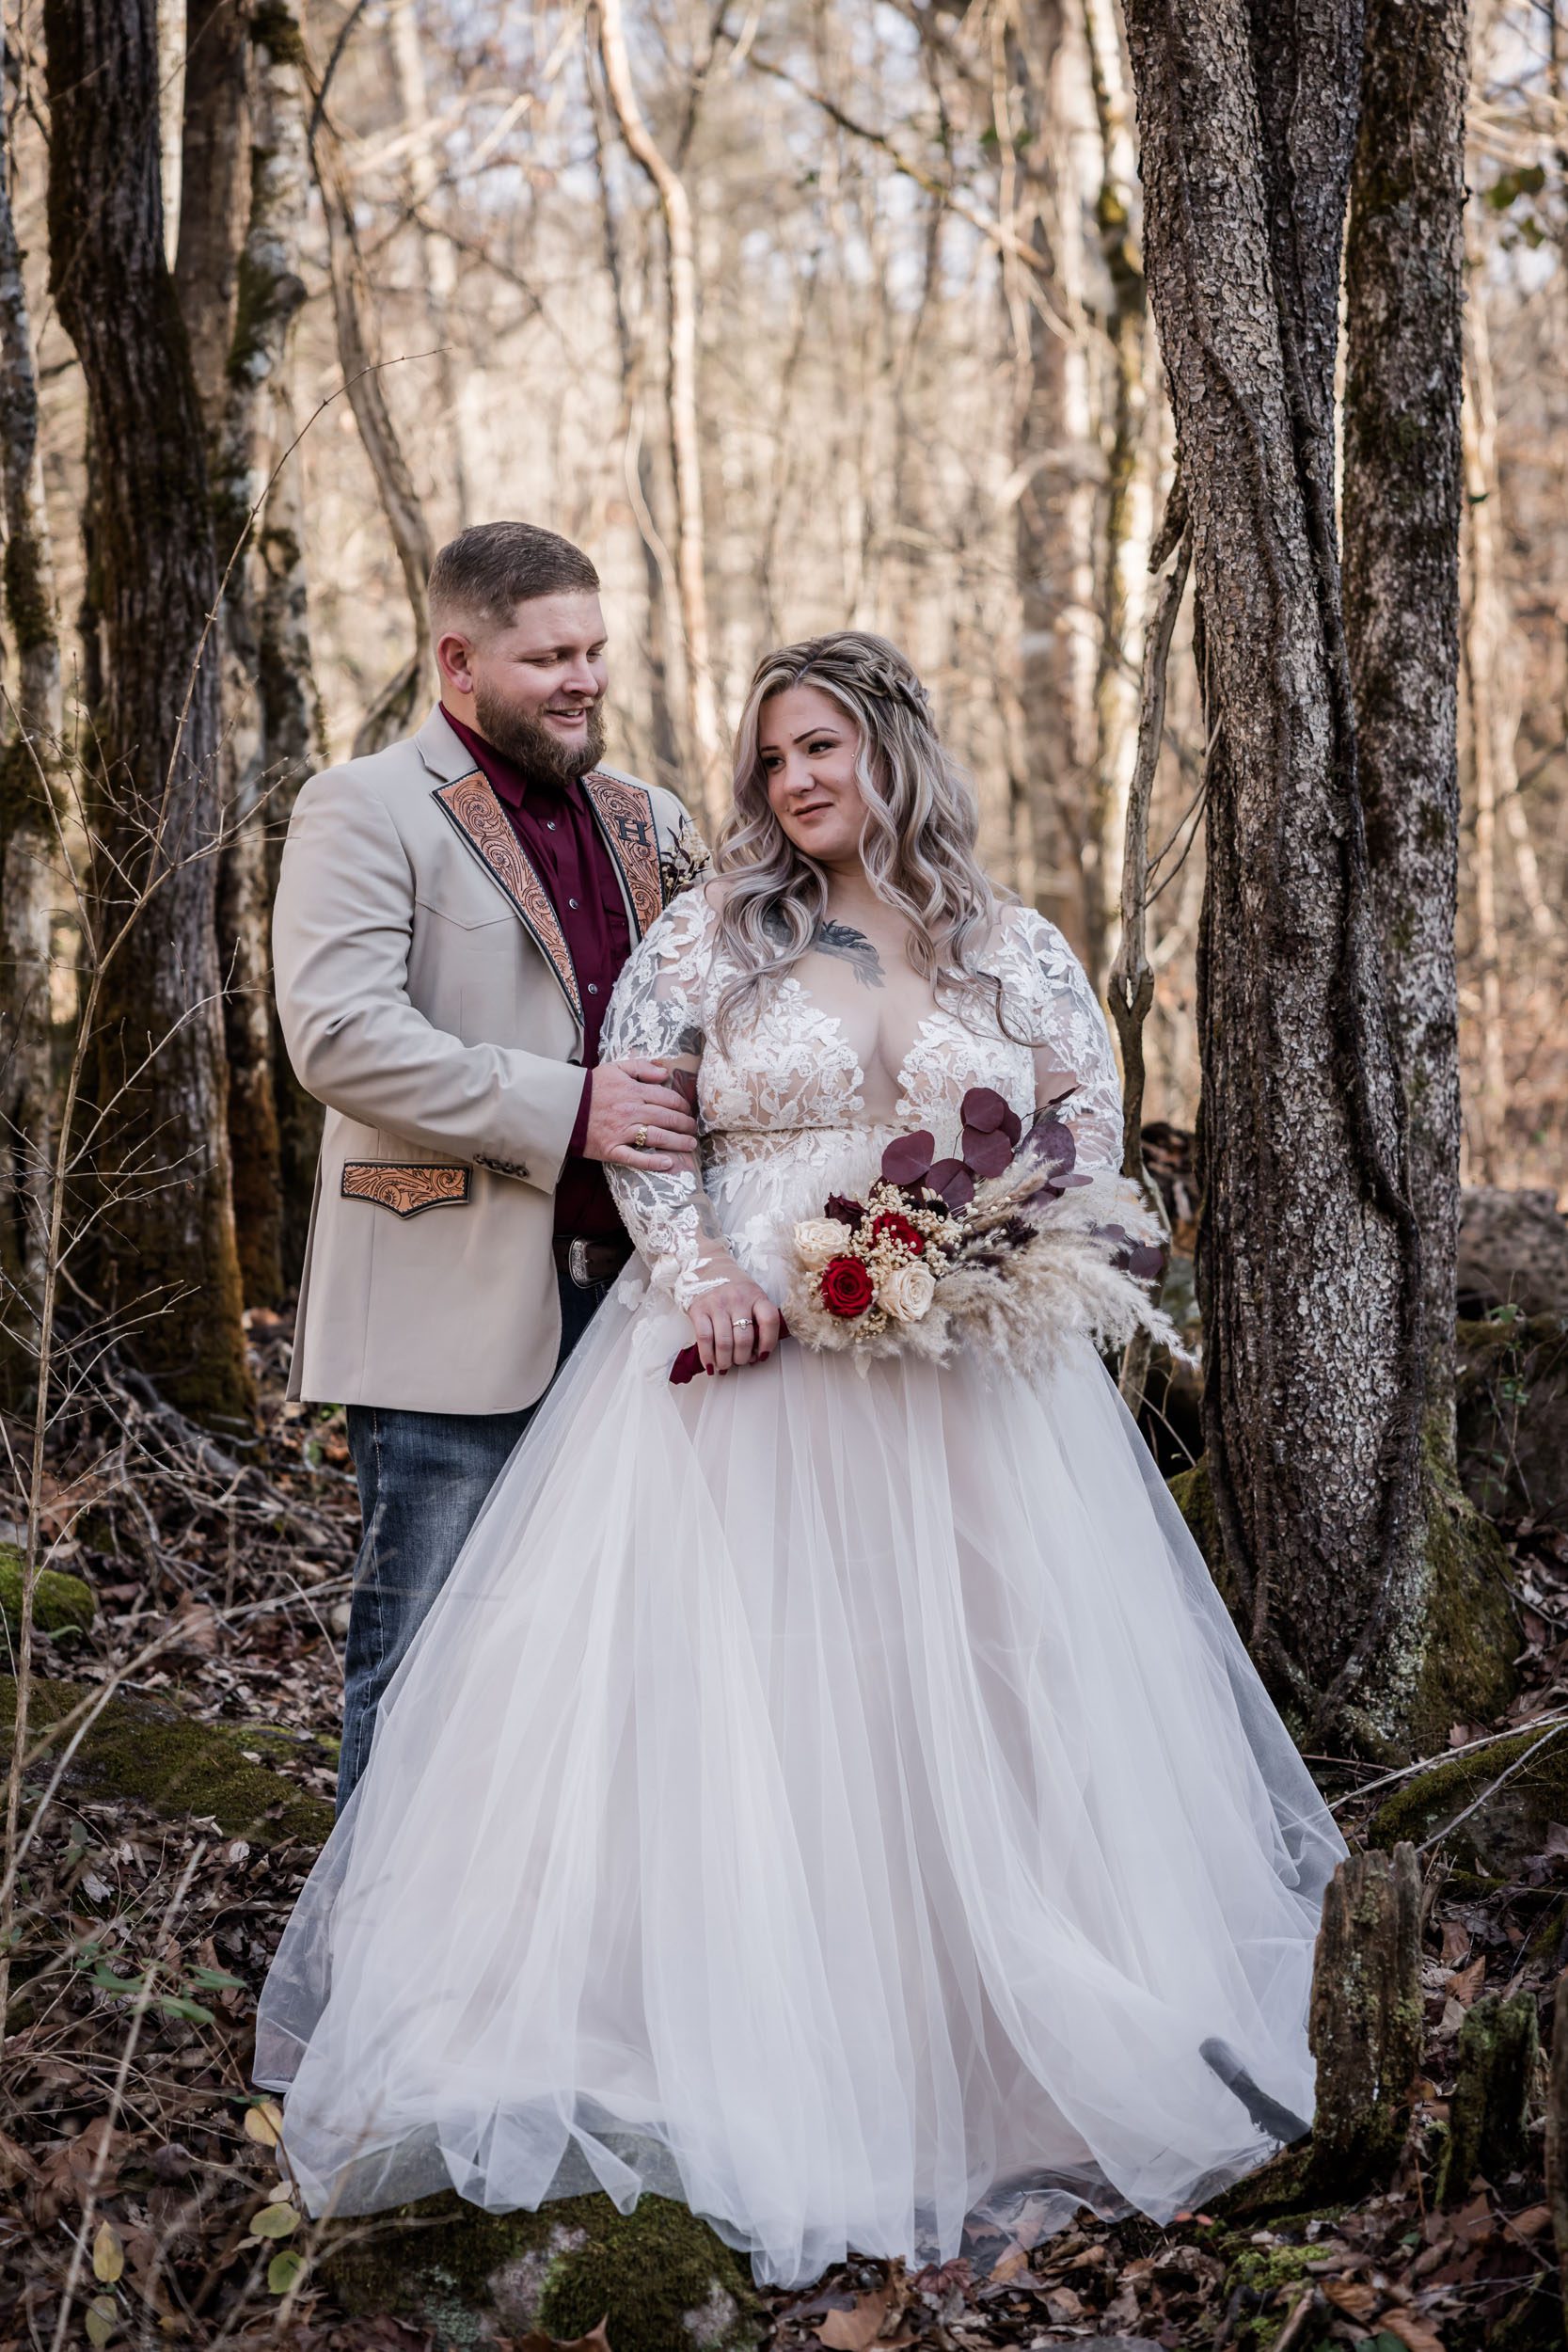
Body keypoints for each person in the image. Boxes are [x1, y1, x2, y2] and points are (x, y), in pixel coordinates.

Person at [256, 630, 1347, 2289]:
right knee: (758, 1703)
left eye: (823, 746)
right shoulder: (710, 938)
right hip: (745, 1367)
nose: (795, 783)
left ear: (895, 747)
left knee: (977, 1685)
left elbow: (1085, 1125)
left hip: (968, 1381)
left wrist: (999, 1242)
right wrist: (700, 1274)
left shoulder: (1018, 944)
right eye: (773, 758)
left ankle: (985, 2042)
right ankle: (755, 2044)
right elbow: (651, 1124)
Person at [272, 521, 710, 1810]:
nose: (584, 680)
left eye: (594, 651)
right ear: (458, 660)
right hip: (447, 1299)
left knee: (612, 1661)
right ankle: (365, 1987)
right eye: (548, 659)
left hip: (641, 1310)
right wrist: (570, 1110)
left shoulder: (655, 819)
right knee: (424, 1661)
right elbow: (342, 1036)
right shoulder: (361, 806)